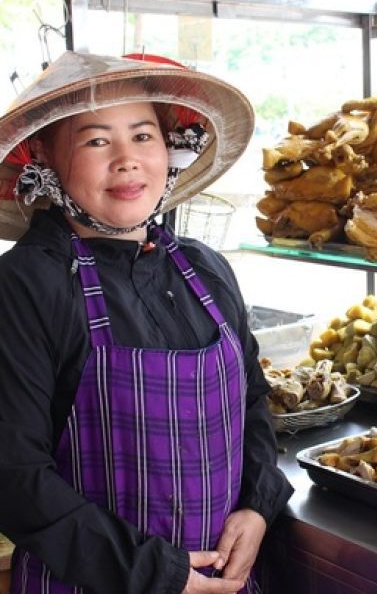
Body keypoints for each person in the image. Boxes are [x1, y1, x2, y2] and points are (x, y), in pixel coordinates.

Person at [0, 52, 293, 593]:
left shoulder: (205, 269)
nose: (127, 160)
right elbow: (13, 475)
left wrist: (257, 504)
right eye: (95, 141)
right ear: (43, 154)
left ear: (168, 146)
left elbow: (252, 399)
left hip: (224, 580)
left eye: (142, 136)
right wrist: (156, 573)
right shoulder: (25, 284)